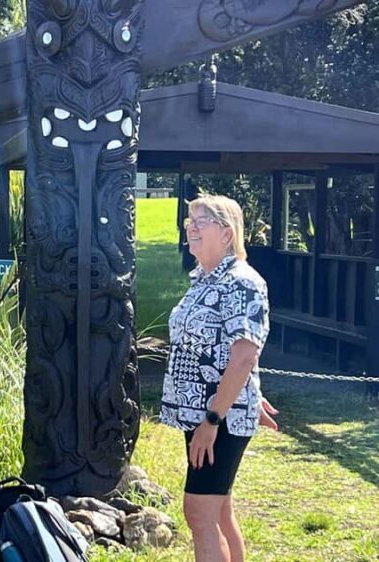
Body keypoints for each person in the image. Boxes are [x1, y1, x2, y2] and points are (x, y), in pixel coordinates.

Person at [160, 194, 278, 562]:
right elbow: (220, 348)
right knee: (218, 510)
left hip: (216, 417)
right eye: (188, 221)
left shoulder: (240, 282)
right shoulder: (205, 279)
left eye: (200, 220)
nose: (190, 227)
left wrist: (213, 419)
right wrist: (250, 395)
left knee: (199, 512)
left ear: (227, 234)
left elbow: (245, 354)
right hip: (204, 413)